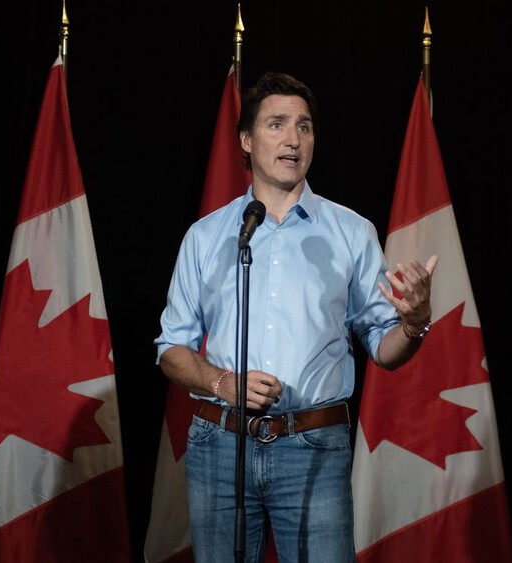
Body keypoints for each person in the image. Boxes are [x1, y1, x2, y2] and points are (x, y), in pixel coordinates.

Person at [154, 71, 438, 563]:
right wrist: (222, 383)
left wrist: (414, 323)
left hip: (314, 445)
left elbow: (383, 345)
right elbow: (171, 349)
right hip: (220, 445)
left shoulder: (351, 232)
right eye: (277, 124)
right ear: (246, 140)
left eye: (304, 127)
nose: (293, 139)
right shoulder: (206, 236)